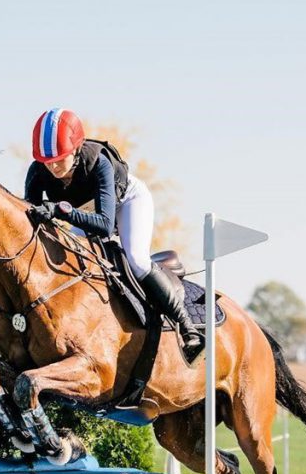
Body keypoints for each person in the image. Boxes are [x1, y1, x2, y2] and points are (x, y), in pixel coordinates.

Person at [24, 108, 203, 352]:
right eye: (46, 160)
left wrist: (59, 211)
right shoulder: (37, 171)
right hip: (85, 211)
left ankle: (186, 325)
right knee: (72, 263)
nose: (52, 166)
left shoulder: (99, 163)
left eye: (59, 158)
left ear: (75, 149)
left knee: (137, 260)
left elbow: (105, 225)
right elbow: (31, 221)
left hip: (126, 202)